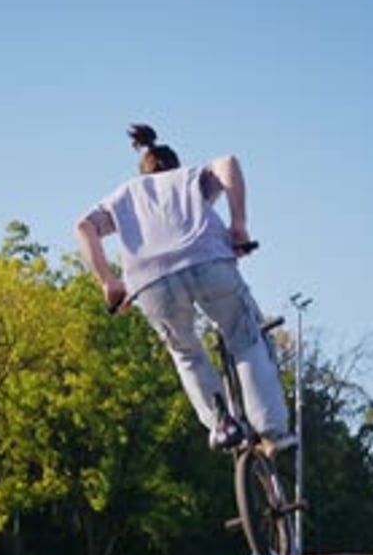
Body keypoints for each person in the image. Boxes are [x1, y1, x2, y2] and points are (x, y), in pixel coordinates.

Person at [75, 123, 296, 453]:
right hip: (209, 265)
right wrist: (238, 226)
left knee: (185, 351)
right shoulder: (190, 178)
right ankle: (273, 432)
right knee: (246, 336)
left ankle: (221, 423)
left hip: (150, 282)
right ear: (174, 166)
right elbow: (228, 163)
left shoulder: (124, 196)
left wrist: (109, 282)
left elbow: (84, 227)